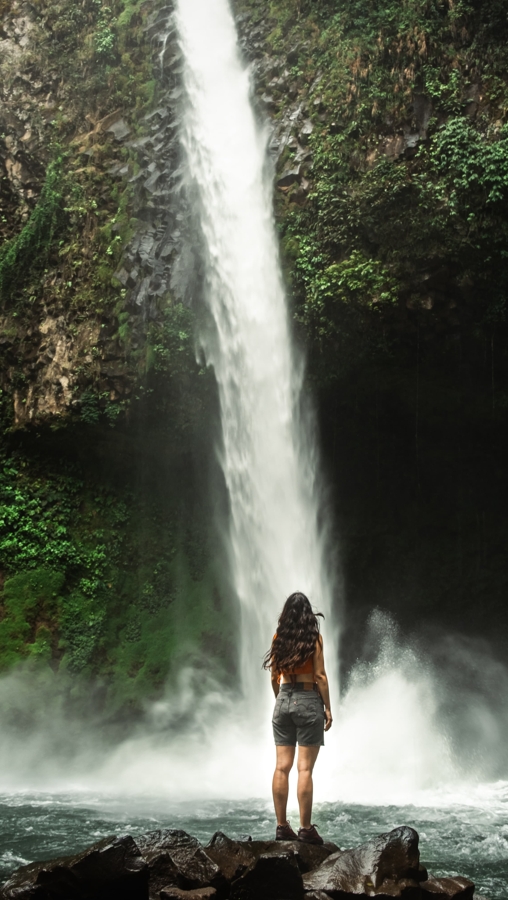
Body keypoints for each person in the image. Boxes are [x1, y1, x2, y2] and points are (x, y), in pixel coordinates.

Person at [263, 591, 333, 845]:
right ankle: (305, 829)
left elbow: (273, 677)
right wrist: (327, 707)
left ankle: (282, 826)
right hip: (307, 698)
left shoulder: (278, 639)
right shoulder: (314, 639)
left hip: (283, 698)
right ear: (307, 615)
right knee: (304, 769)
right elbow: (321, 676)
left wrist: (281, 701)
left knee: (282, 767)